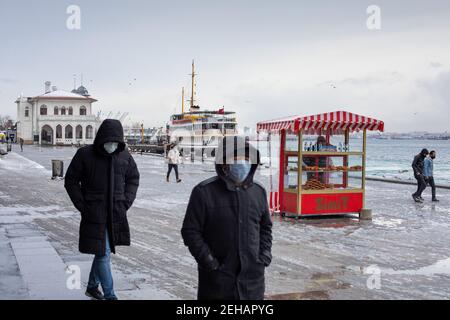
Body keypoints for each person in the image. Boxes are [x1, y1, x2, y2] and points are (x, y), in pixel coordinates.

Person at [181, 136, 273, 300]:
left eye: (246, 159)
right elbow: (190, 231)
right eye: (236, 159)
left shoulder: (258, 192)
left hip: (252, 282)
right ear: (223, 163)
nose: (242, 163)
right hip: (217, 282)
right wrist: (209, 261)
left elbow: (265, 227)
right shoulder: (204, 192)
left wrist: (264, 255)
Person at [64, 119, 140, 300]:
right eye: (108, 141)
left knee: (101, 252)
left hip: (115, 213)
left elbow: (133, 179)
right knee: (103, 253)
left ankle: (91, 286)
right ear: (101, 139)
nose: (111, 145)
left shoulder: (125, 157)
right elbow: (71, 181)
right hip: (94, 213)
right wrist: (82, 205)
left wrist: (125, 202)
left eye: (115, 142)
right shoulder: (85, 155)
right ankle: (110, 295)